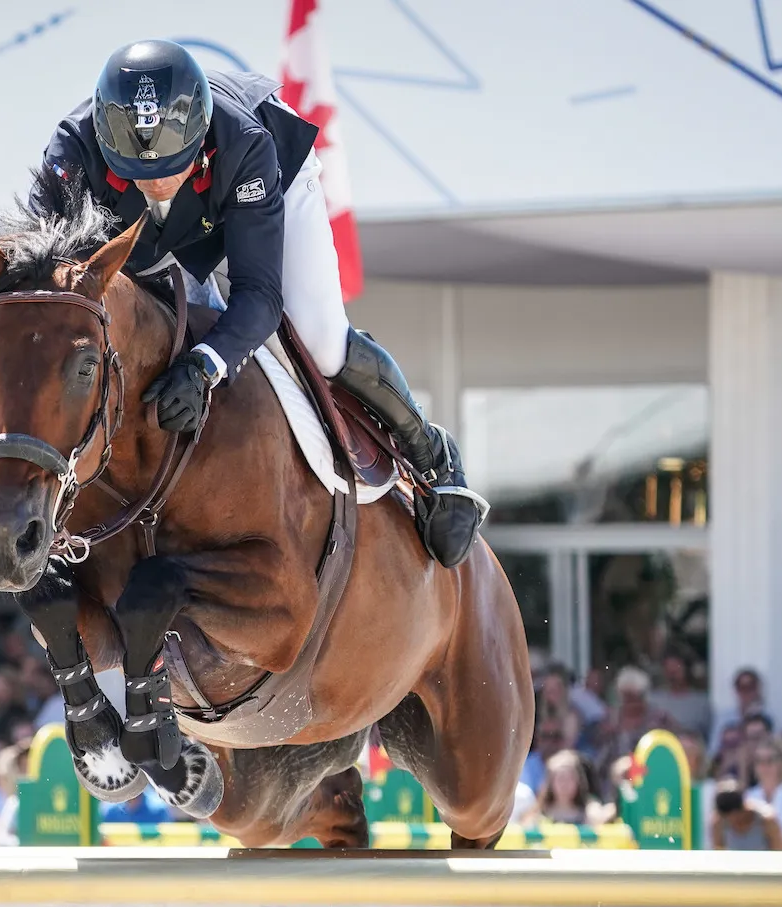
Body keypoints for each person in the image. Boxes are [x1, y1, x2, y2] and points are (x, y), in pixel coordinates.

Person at [28, 40, 484, 567]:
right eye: (139, 168)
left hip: (264, 184)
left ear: (198, 134)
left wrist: (205, 366)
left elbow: (259, 294)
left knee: (321, 341)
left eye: (173, 165)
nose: (157, 181)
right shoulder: (69, 156)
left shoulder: (244, 141)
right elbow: (48, 291)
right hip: (143, 236)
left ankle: (431, 458)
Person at [648, 649, 711, 740]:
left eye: (676, 669)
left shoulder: (700, 702)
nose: (672, 674)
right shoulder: (654, 699)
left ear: (686, 669)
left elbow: (706, 736)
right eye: (668, 669)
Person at [710, 779, 782, 851]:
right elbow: (718, 856)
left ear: (742, 807)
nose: (731, 820)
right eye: (727, 817)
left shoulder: (767, 820)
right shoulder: (718, 823)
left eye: (734, 816)